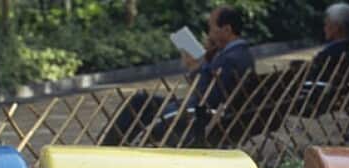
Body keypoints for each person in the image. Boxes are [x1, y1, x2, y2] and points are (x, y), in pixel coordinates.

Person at [103, 6, 256, 146]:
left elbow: (205, 97)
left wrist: (195, 67)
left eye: (211, 28)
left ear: (227, 30)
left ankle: (108, 146)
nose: (209, 35)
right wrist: (208, 60)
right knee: (141, 100)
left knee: (139, 105)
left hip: (193, 118)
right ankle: (116, 144)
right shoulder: (241, 54)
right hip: (207, 115)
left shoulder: (228, 59)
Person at [311, 3, 349, 77]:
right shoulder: (348, 52)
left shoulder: (326, 56)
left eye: (326, 24)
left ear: (336, 28)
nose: (324, 28)